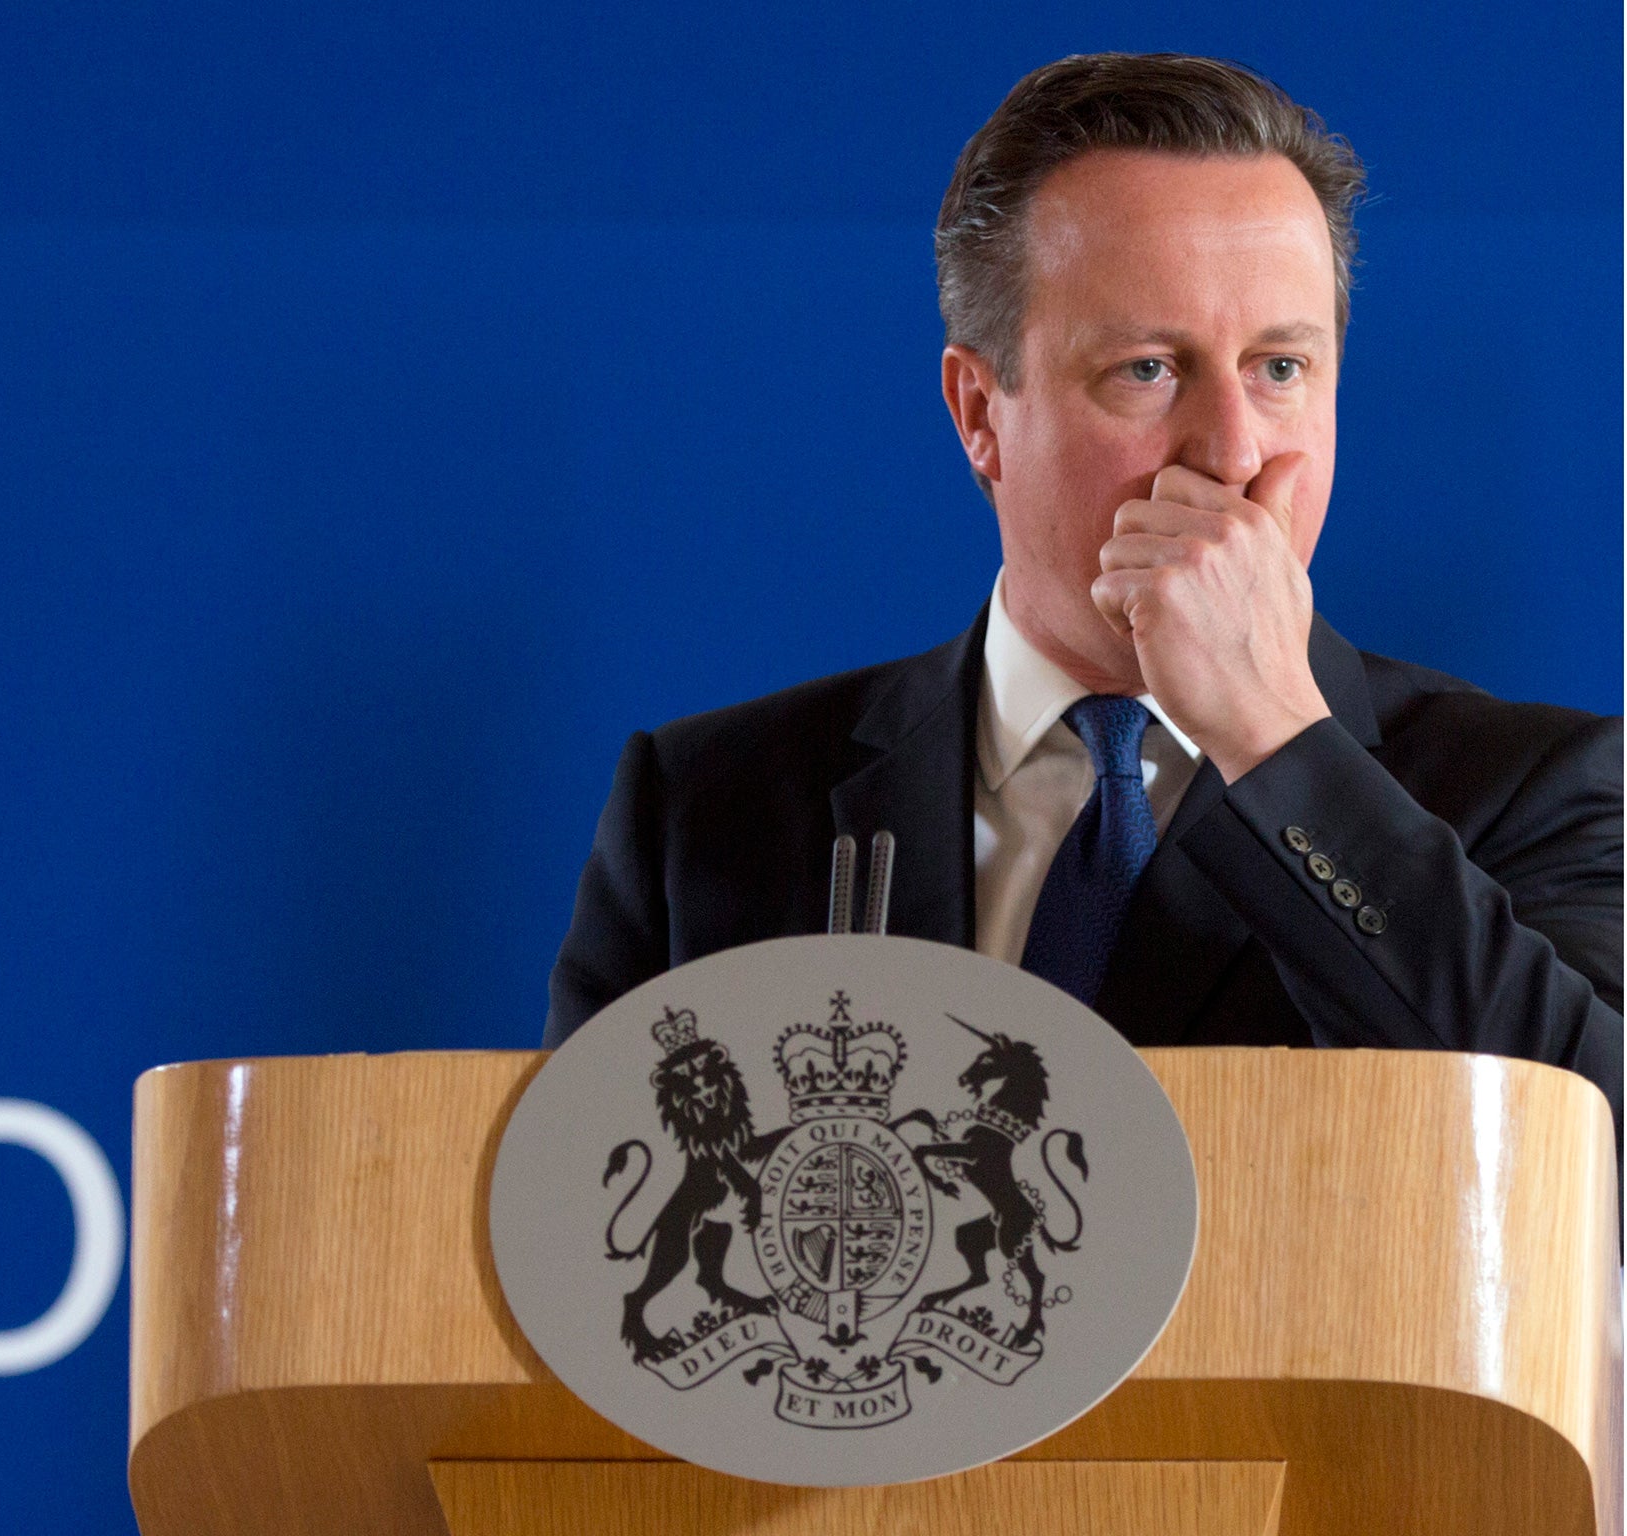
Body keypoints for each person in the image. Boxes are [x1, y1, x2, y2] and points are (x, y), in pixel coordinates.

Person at [541, 53, 1622, 1144]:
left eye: (1279, 368)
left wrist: (1270, 739)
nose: (1232, 449)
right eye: (1147, 369)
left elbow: (1586, 1161)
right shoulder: (705, 811)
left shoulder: (1532, 796)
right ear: (978, 411)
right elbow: (584, 1238)